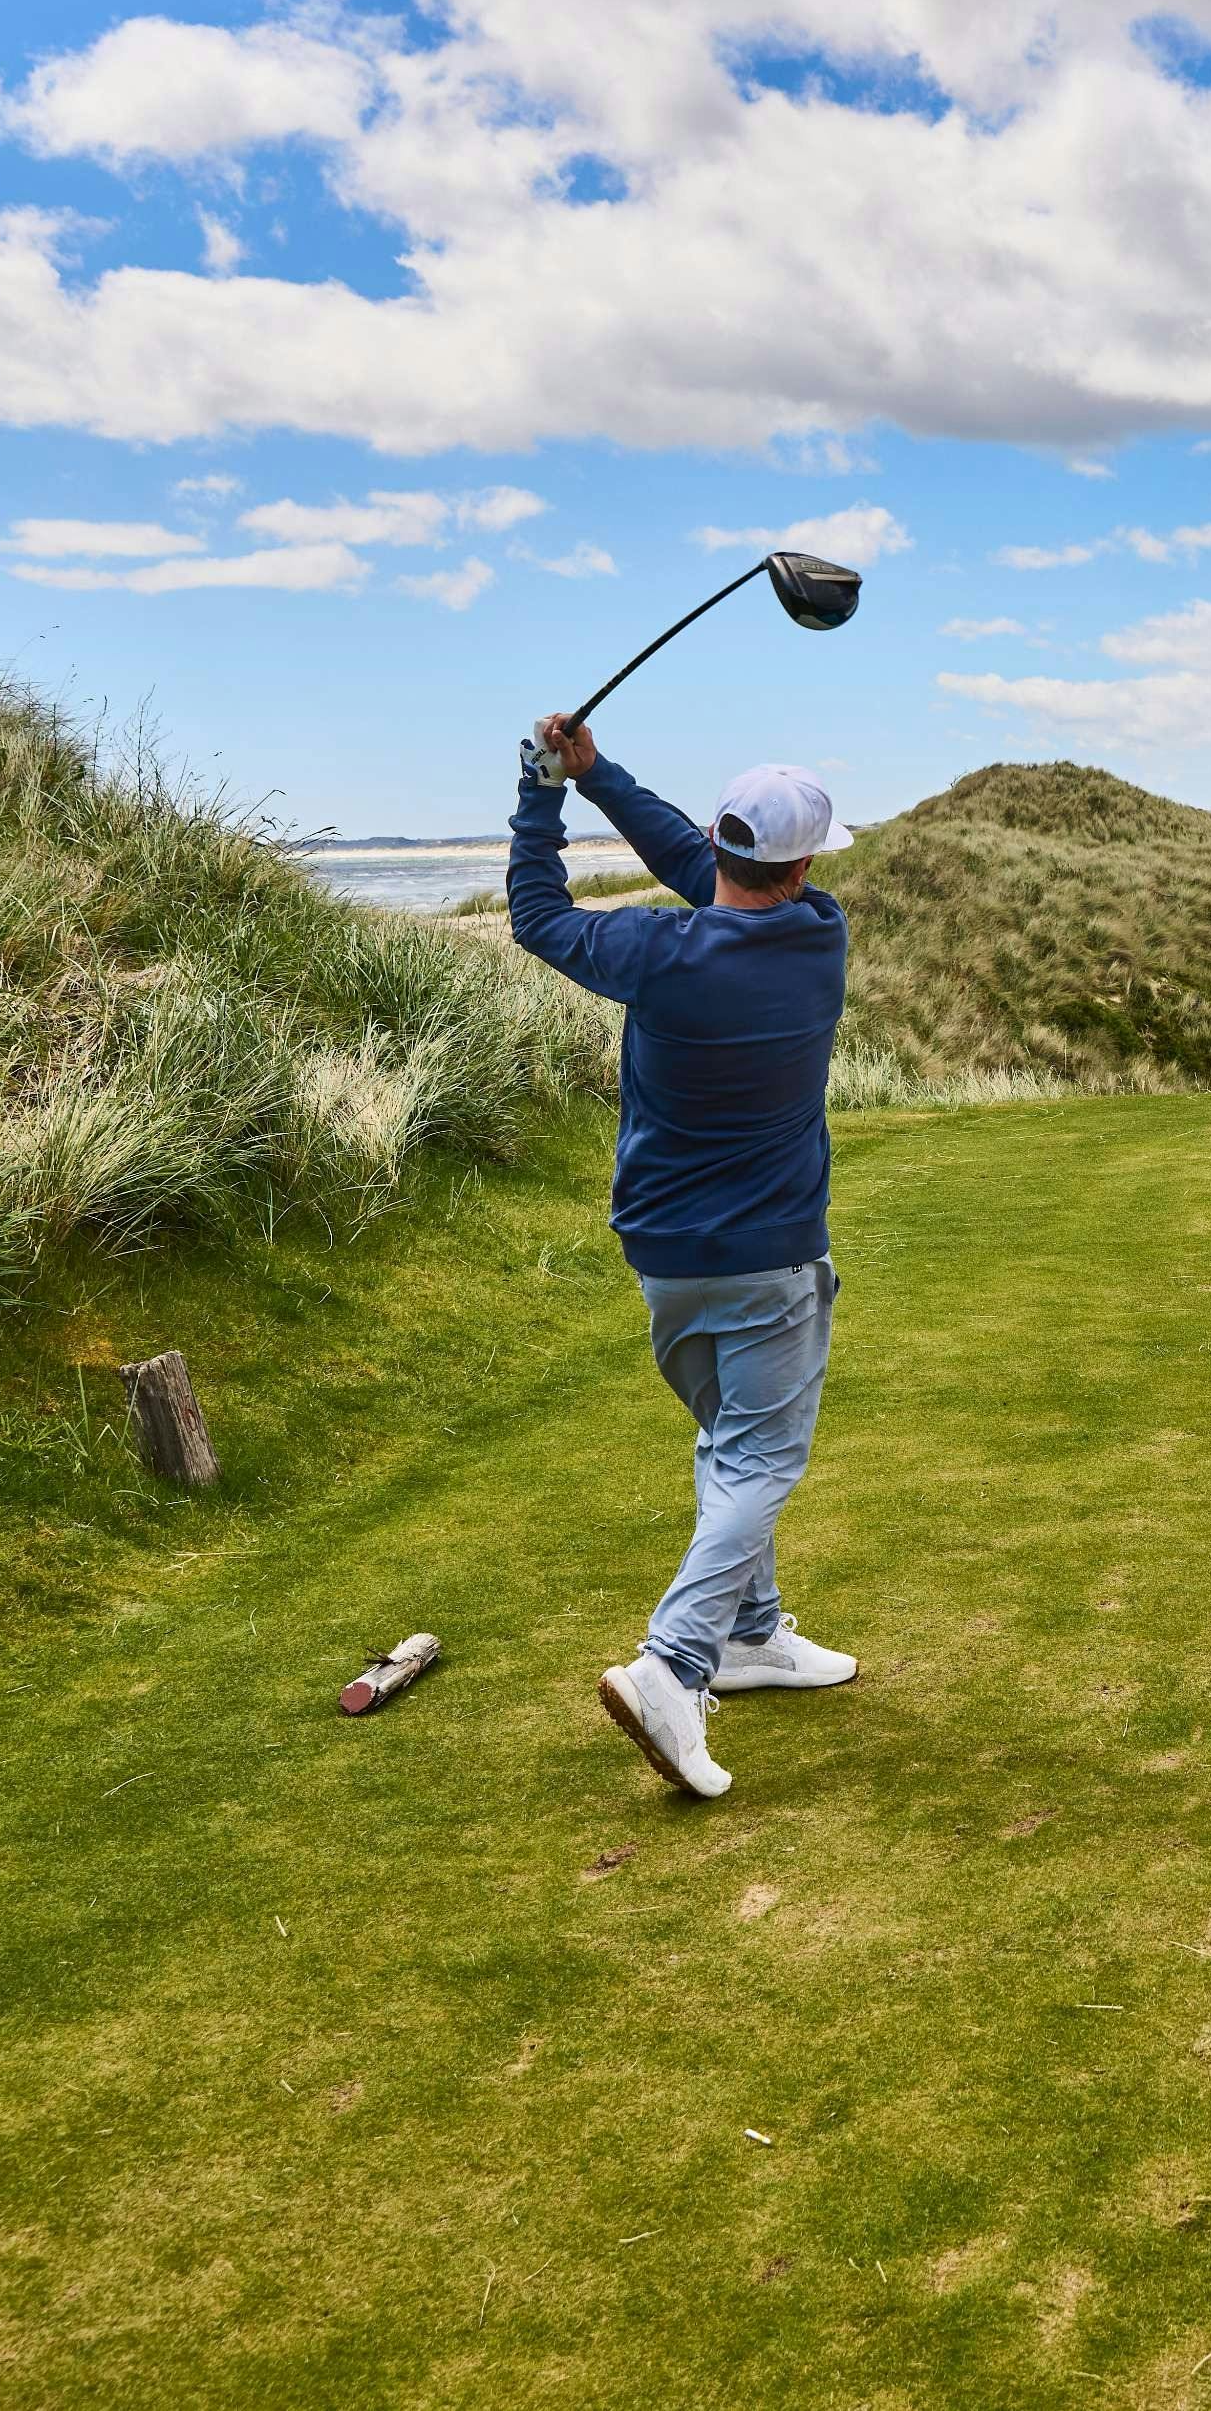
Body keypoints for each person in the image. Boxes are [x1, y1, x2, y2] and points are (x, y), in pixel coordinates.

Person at [507, 714, 860, 1800]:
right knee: (758, 1462)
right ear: (800, 865)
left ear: (726, 843)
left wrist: (551, 790)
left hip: (664, 1255)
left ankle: (752, 1635)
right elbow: (700, 864)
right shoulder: (819, 933)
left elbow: (536, 914)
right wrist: (595, 773)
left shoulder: (659, 956)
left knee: (726, 1441)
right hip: (769, 1262)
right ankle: (673, 1664)